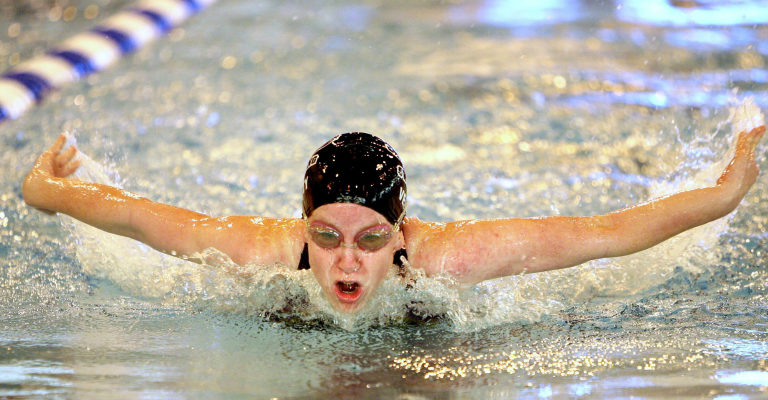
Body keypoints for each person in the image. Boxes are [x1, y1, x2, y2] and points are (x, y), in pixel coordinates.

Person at [22, 127, 765, 313]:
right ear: (303, 224)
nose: (347, 263)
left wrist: (725, 194)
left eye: (372, 240)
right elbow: (140, 219)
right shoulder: (256, 250)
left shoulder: (446, 261)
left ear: (402, 234)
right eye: (328, 238)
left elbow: (608, 235)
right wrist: (48, 188)